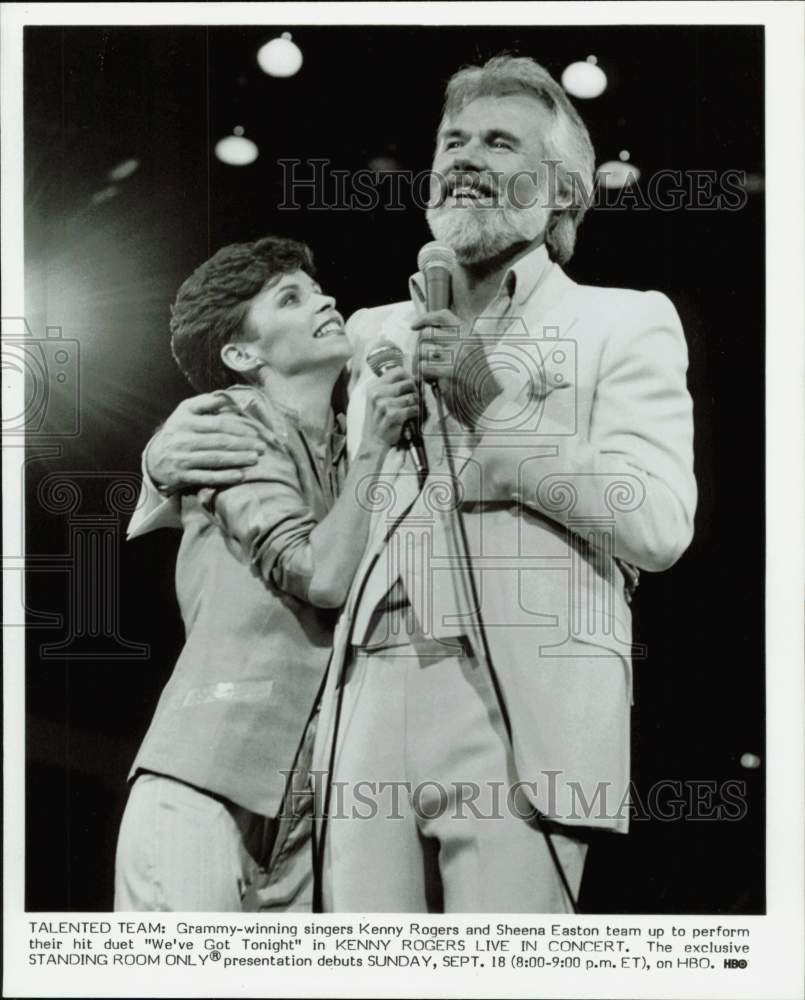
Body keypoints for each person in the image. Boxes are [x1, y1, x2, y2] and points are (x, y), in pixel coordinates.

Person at [136, 55, 697, 913]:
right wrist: (162, 451)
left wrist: (491, 404)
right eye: (453, 141)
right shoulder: (367, 332)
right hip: (358, 696)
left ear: (559, 192)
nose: (465, 157)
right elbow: (277, 424)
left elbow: (657, 522)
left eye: (499, 141)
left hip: (519, 703)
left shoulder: (623, 319)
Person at [115, 235, 417, 911]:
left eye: (315, 288)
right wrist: (375, 450)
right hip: (205, 780)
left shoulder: (345, 446)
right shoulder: (226, 423)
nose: (323, 299)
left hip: (305, 817)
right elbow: (321, 576)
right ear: (243, 354)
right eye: (290, 297)